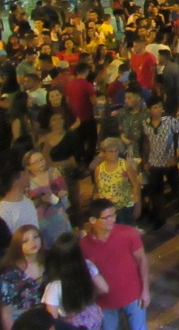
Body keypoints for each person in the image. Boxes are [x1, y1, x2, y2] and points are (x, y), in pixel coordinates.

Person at [79, 198, 150, 330]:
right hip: (105, 301)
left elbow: (142, 260)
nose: (112, 220)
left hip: (133, 295)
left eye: (114, 215)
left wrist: (145, 290)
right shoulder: (84, 245)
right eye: (107, 217)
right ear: (93, 220)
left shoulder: (128, 233)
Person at [42, 232, 107, 330]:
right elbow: (104, 288)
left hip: (72, 324)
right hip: (93, 316)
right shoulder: (87, 266)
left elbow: (52, 319)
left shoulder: (54, 286)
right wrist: (89, 295)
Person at [140, 97, 179, 231]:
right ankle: (160, 218)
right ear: (149, 110)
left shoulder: (170, 121)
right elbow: (146, 142)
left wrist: (177, 157)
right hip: (154, 162)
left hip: (170, 161)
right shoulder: (146, 123)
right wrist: (145, 160)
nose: (158, 110)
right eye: (154, 107)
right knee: (156, 192)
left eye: (159, 107)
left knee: (177, 189)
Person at [22, 151, 70, 247]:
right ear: (28, 167)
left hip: (59, 214)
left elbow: (64, 189)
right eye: (36, 162)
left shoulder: (54, 172)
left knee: (67, 243)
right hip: (42, 219)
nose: (41, 163)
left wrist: (62, 194)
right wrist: (41, 200)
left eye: (41, 159)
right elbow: (27, 204)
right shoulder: (26, 182)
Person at [0, 225, 44, 328]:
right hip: (23, 322)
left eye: (35, 237)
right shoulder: (10, 274)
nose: (32, 242)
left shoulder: (50, 263)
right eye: (25, 241)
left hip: (48, 318)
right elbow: (6, 315)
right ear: (18, 245)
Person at [93, 139, 141, 226]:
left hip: (124, 207)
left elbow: (136, 184)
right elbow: (98, 188)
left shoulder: (125, 165)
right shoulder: (99, 169)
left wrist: (137, 204)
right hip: (107, 210)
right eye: (111, 151)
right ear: (104, 153)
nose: (114, 153)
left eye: (116, 151)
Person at [0, 169, 40, 236]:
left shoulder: (27, 200)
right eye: (24, 173)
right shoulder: (3, 211)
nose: (28, 175)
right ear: (16, 181)